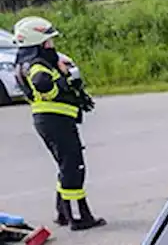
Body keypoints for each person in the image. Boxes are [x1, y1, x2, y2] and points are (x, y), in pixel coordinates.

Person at [13, 16, 105, 230]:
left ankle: (63, 212)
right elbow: (43, 85)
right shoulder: (37, 66)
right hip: (56, 120)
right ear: (38, 43)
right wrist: (65, 79)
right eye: (48, 42)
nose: (51, 45)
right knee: (73, 167)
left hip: (51, 121)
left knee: (66, 166)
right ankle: (78, 217)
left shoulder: (28, 62)